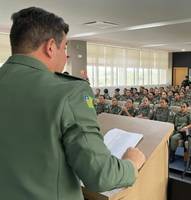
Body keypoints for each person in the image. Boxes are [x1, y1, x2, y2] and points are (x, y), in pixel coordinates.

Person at [0, 7, 145, 200]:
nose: (66, 56)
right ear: (51, 47)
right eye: (65, 47)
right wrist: (131, 164)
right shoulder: (69, 91)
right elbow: (101, 175)